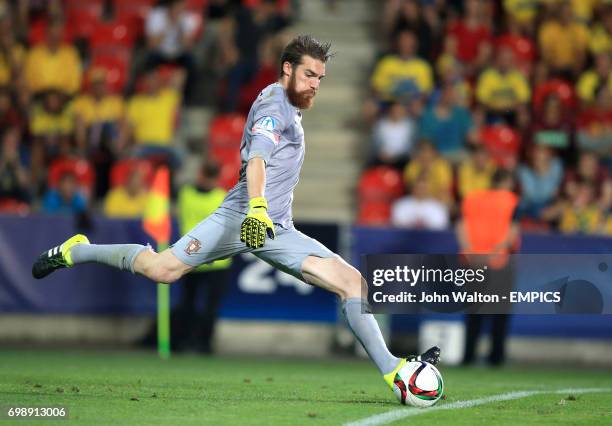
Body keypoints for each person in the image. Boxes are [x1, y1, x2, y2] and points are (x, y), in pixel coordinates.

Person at [32, 35, 440, 396]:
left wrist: (268, 215)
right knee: (162, 270)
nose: (316, 84)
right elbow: (258, 158)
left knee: (353, 283)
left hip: (276, 229)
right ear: (287, 69)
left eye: (321, 77)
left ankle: (394, 373)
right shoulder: (274, 104)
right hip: (243, 218)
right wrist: (257, 207)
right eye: (311, 75)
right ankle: (78, 250)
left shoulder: (290, 107)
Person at [456, 169, 520, 366]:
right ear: (507, 182)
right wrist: (498, 250)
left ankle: (468, 356)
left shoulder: (472, 198)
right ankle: (496, 357)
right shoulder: (510, 200)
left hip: (473, 261)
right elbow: (512, 229)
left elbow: (461, 225)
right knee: (500, 312)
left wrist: (469, 249)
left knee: (474, 312)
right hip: (498, 260)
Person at [172, 160, 231, 353]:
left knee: (192, 304)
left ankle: (189, 342)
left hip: (192, 257)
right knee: (200, 305)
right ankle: (199, 343)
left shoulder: (186, 194)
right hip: (211, 259)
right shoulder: (222, 197)